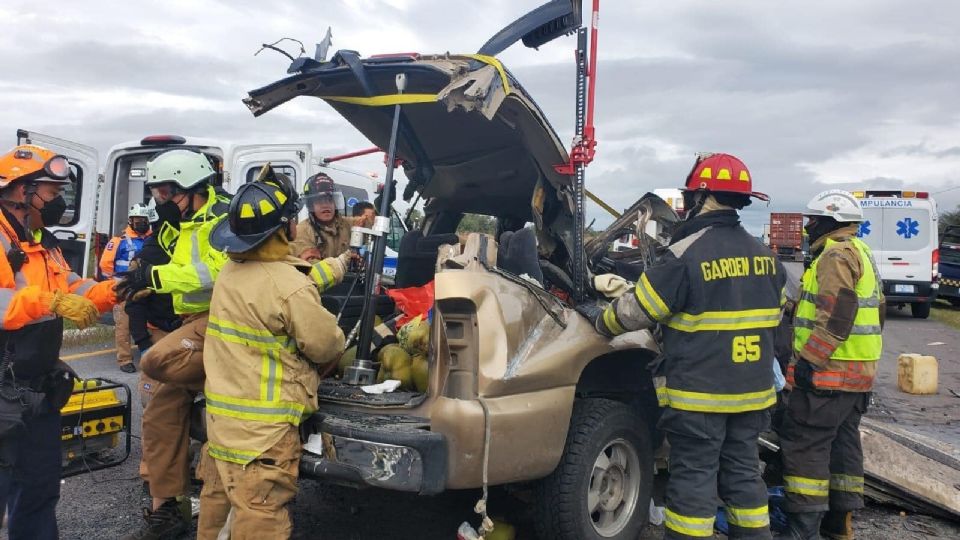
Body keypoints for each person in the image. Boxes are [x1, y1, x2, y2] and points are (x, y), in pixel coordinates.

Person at [580, 153, 786, 540]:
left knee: (694, 478)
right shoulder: (765, 257)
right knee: (743, 475)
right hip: (752, 394)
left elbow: (640, 310)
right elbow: (773, 320)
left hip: (701, 395)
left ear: (700, 197)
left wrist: (599, 319)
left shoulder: (685, 255)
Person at [197, 166, 346, 539]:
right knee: (260, 515)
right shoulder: (288, 288)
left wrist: (339, 265)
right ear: (287, 228)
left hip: (221, 424)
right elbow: (327, 344)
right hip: (263, 436)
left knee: (217, 504)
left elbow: (293, 278)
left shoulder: (231, 272)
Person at [0, 144, 116, 539]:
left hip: (35, 387)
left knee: (39, 489)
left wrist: (114, 290)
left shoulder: (42, 242)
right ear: (20, 191)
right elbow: (10, 304)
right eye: (50, 192)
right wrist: (46, 301)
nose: (57, 201)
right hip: (2, 388)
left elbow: (72, 286)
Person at [116, 149, 231, 540]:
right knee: (161, 403)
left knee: (159, 366)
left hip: (230, 319)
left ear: (195, 186)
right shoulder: (174, 223)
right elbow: (155, 256)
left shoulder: (224, 219)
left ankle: (223, 502)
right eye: (158, 192)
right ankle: (167, 506)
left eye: (168, 191)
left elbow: (215, 272)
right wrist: (136, 277)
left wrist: (158, 277)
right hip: (192, 323)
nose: (161, 200)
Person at [777, 190, 884, 540]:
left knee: (806, 446)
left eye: (812, 219)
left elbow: (838, 315)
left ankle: (802, 529)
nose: (808, 226)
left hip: (828, 375)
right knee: (843, 446)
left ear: (828, 220)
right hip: (858, 376)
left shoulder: (834, 256)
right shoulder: (863, 253)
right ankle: (839, 524)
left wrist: (810, 359)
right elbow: (877, 312)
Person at [99, 203, 153, 373]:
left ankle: (152, 355)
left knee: (152, 322)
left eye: (144, 220)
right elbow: (105, 265)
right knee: (124, 324)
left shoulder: (153, 239)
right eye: (138, 219)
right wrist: (118, 282)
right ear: (131, 220)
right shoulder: (118, 241)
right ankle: (125, 360)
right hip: (125, 288)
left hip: (148, 288)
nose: (141, 223)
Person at [290, 172, 353, 261]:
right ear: (311, 205)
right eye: (319, 201)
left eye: (329, 200)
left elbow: (366, 222)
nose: (325, 205)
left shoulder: (346, 225)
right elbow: (312, 268)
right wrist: (344, 261)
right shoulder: (302, 231)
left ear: (335, 203)